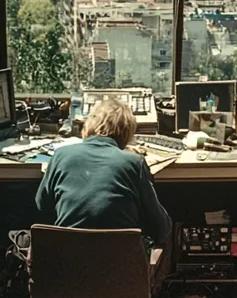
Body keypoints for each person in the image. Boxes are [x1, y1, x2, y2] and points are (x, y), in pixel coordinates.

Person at [35, 98, 172, 276]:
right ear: (127, 136)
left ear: (88, 126)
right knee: (168, 236)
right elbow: (161, 229)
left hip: (66, 277)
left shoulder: (60, 155)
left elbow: (41, 209)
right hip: (121, 281)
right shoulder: (134, 163)